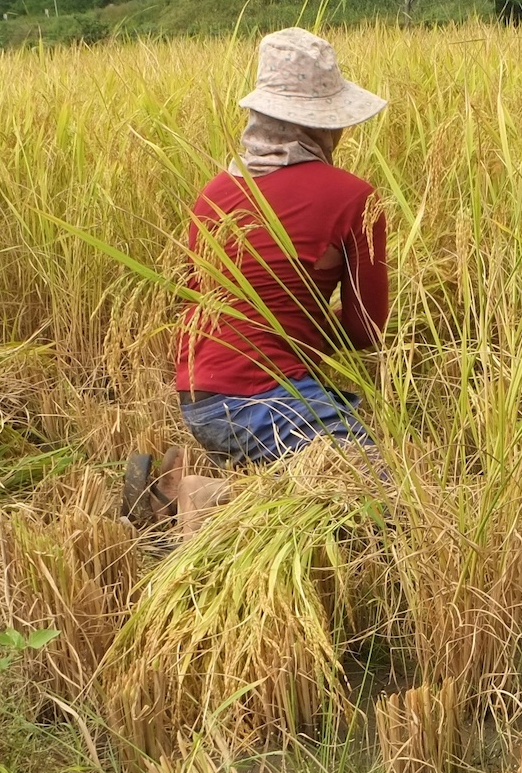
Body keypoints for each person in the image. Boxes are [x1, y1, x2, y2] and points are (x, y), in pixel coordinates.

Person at [126, 28, 389, 531]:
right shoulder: (354, 197)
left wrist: (289, 325)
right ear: (323, 125)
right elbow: (365, 332)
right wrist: (307, 325)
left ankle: (187, 489)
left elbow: (202, 299)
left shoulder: (214, 193)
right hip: (262, 399)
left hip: (198, 398)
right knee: (377, 501)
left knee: (319, 467)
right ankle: (196, 498)